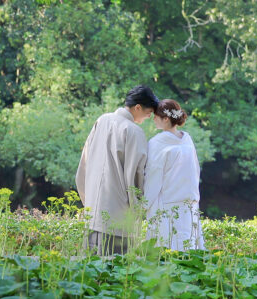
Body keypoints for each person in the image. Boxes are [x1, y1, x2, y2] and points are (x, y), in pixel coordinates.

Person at [76, 85, 159, 255]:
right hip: (119, 215)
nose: (149, 117)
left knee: (89, 270)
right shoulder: (134, 131)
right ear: (137, 107)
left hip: (93, 211)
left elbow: (84, 164)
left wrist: (88, 201)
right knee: (115, 272)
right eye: (148, 112)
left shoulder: (102, 120)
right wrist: (138, 209)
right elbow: (137, 175)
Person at [144, 99, 205, 250]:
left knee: (166, 251)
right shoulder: (187, 140)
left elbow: (153, 178)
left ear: (165, 119)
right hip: (189, 203)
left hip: (166, 205)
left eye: (156, 116)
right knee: (188, 249)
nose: (153, 119)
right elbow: (195, 171)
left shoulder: (157, 143)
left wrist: (143, 205)